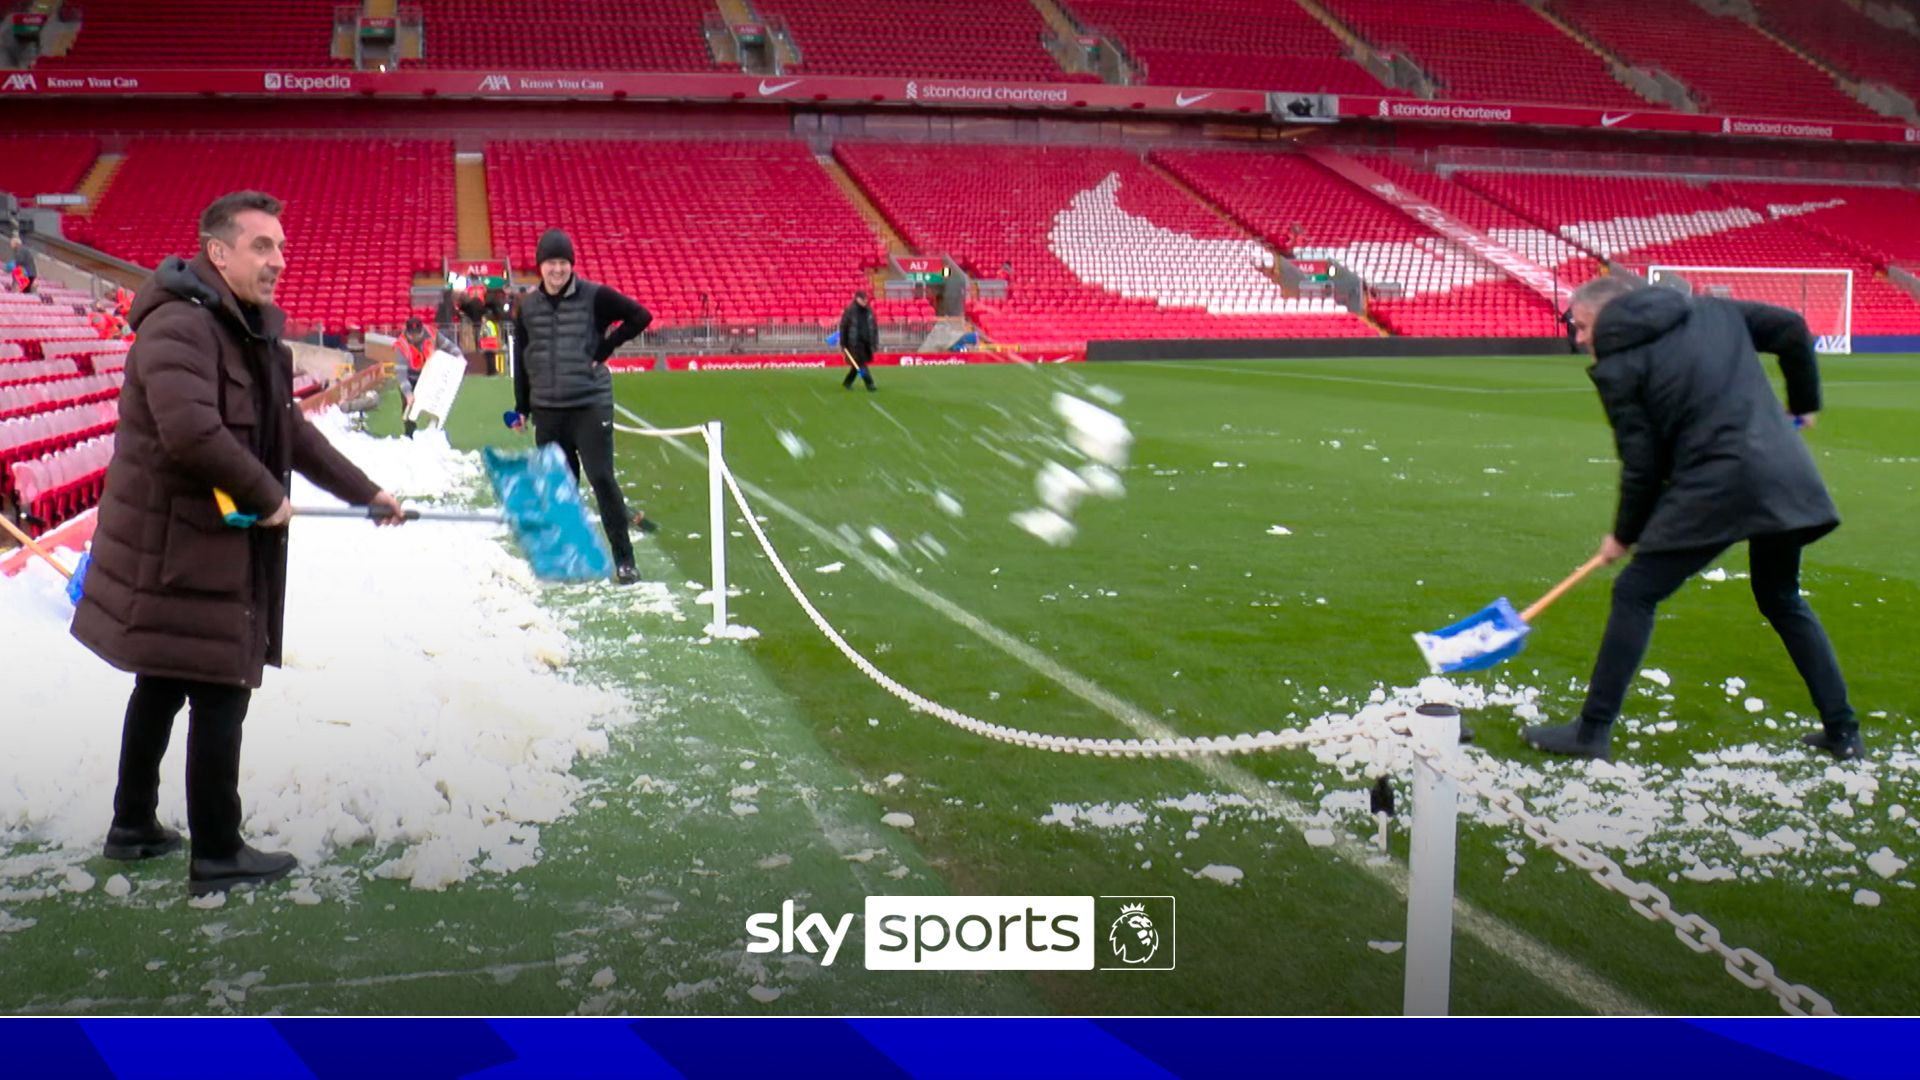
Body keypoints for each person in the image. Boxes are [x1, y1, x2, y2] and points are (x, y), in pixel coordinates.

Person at [70, 191, 409, 895]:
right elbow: (191, 433)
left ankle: (132, 827)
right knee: (221, 688)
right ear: (218, 253)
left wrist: (367, 493)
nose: (278, 261)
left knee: (162, 680)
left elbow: (295, 433)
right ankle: (217, 852)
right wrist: (268, 496)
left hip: (202, 544)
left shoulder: (247, 332)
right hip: (182, 547)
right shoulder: (177, 330)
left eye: (281, 248)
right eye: (262, 246)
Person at [1524, 275, 1859, 762]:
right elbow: (1791, 328)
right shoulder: (1715, 311)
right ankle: (1843, 730)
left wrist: (1624, 535)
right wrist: (1804, 403)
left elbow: (1643, 464)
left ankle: (1591, 732)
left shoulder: (1619, 366)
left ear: (1607, 313)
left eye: (1580, 326)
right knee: (1781, 596)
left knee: (1635, 592)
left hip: (1718, 487)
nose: (1578, 338)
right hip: (1785, 475)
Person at [509, 227, 653, 585]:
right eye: (550, 263)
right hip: (548, 410)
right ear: (539, 267)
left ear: (570, 265)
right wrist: (522, 408)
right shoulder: (526, 308)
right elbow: (521, 360)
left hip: (590, 406)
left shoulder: (595, 296)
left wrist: (602, 351)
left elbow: (640, 316)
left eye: (562, 262)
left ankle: (625, 560)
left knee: (602, 479)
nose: (557, 270)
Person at [393, 316, 433, 438]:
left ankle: (435, 432)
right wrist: (408, 393)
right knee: (408, 406)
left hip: (427, 376)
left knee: (434, 403)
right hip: (410, 377)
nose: (415, 337)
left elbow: (447, 345)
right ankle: (410, 434)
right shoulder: (401, 346)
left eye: (417, 333)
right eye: (412, 334)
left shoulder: (431, 334)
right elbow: (401, 374)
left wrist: (458, 355)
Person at [838, 289, 878, 392]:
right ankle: (870, 383)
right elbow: (843, 328)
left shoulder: (869, 311)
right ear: (857, 299)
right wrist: (843, 344)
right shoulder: (850, 311)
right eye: (863, 300)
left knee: (857, 365)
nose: (865, 302)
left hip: (866, 342)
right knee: (861, 364)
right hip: (854, 343)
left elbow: (874, 327)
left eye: (866, 300)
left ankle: (847, 382)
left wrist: (875, 342)